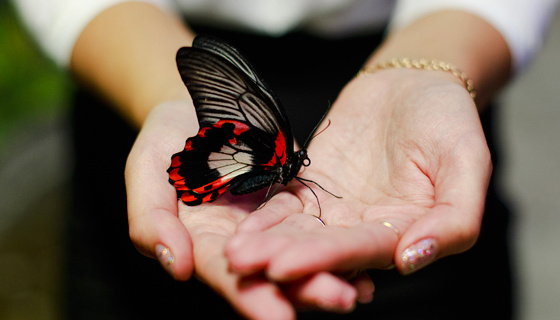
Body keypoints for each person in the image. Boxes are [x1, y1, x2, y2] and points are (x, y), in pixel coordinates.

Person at [12, 0, 559, 319]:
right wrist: (164, 94)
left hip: (426, 61)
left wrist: (434, 68)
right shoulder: (273, 145)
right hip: (128, 66)